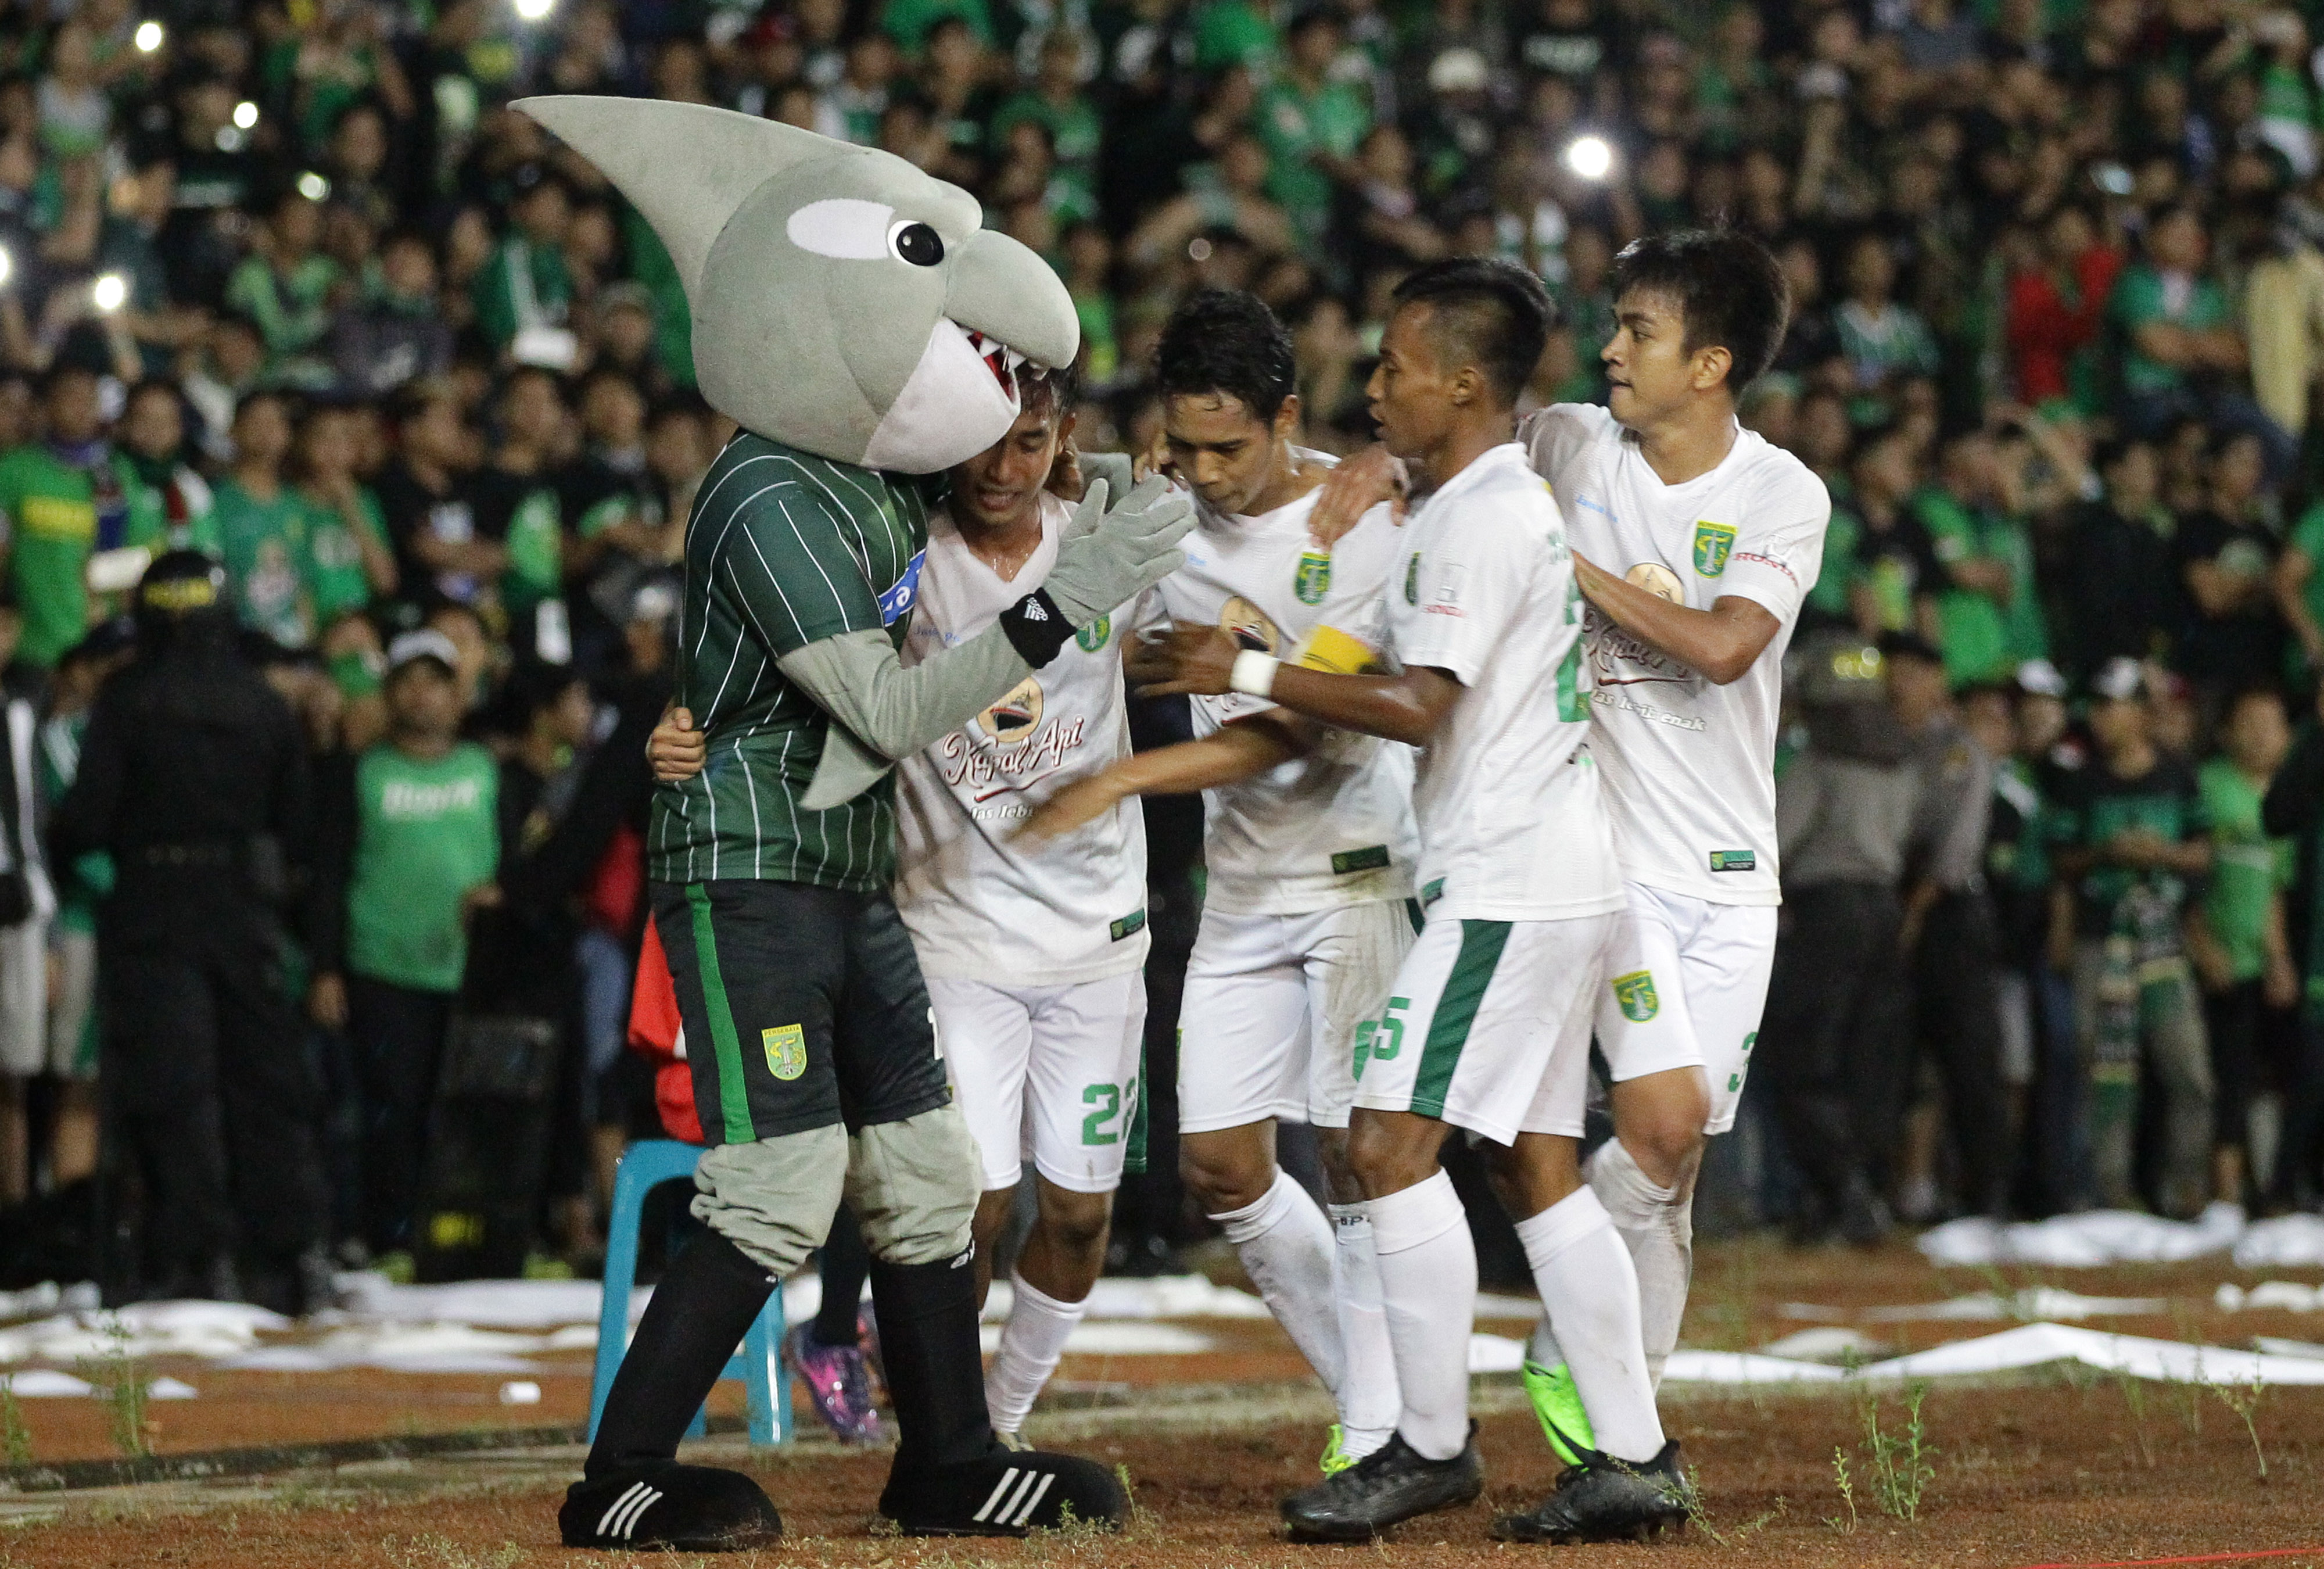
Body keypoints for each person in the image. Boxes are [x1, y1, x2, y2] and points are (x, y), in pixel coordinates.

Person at [521, 95, 1187, 1549]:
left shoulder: (875, 483)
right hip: (752, 873)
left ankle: (946, 1455)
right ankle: (618, 1475)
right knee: (776, 1186)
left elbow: (1047, 481)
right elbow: (881, 710)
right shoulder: (765, 491)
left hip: (849, 872)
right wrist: (1070, 598)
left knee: (927, 1174)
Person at [1135, 257, 1683, 1543]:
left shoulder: (1479, 520)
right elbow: (1364, 664)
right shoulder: (1465, 501)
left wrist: (1244, 660)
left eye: (1388, 368)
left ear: (1460, 383)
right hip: (1545, 875)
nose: (1368, 388)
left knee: (1381, 1148)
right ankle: (1634, 1454)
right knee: (1534, 1166)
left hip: (1506, 884)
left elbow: (1411, 703)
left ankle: (1420, 1443)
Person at [1310, 228, 1826, 1467]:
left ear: (1708, 364)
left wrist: (1566, 566)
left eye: (1636, 332)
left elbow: (1720, 647)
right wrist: (1380, 461)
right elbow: (1461, 433)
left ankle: (1584, 1372)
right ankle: (1590, 1428)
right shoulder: (1568, 439)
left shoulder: (1775, 493)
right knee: (1546, 1136)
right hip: (1586, 861)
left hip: (1720, 875)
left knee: (1665, 1147)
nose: (1607, 350)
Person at [653, 365, 1157, 1445]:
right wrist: (684, 720)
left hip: (1100, 936)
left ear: (1062, 436)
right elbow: (769, 658)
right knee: (954, 1206)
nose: (1002, 468)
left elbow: (1216, 585)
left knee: (1077, 1217)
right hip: (949, 927)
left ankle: (997, 1419)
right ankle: (947, 1422)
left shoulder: (1111, 533)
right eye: (985, 441)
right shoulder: (899, 547)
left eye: (1030, 443)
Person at [1022, 288, 1416, 1477]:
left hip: (1353, 874)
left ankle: (1386, 1422)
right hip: (1242, 885)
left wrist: (1117, 781)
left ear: (1285, 417)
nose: (1202, 471)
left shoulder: (1359, 526)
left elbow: (1293, 733)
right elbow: (1040, 485)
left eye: (1226, 447)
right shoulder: (1165, 512)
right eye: (1181, 444)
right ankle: (1376, 1398)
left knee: (1354, 1152)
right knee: (1221, 1168)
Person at [51, 550, 331, 1310]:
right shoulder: (260, 701)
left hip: (153, 903)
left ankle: (194, 1256)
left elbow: (84, 820)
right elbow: (299, 823)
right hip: (243, 905)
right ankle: (289, 1256)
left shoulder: (127, 698)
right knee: (263, 1082)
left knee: (174, 1085)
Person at [308, 629, 502, 1268]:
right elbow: (330, 872)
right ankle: (390, 1238)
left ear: (458, 694)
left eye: (436, 682)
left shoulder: (485, 771)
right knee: (391, 1110)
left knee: (469, 1117)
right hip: (382, 967)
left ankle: (459, 1238)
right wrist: (327, 967)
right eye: (408, 683)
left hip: (469, 972)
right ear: (389, 695)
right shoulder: (360, 774)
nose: (422, 697)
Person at [2050, 657, 2216, 1216]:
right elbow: (2063, 860)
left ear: (2143, 713)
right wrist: (2108, 852)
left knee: (2186, 1067)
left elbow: (2204, 853)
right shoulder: (2081, 783)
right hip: (2102, 937)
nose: (2102, 720)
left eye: (2113, 707)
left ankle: (2185, 1188)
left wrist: (2160, 854)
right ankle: (2110, 1191)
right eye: (2097, 708)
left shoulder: (2178, 774)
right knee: (2104, 1065)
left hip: (2165, 939)